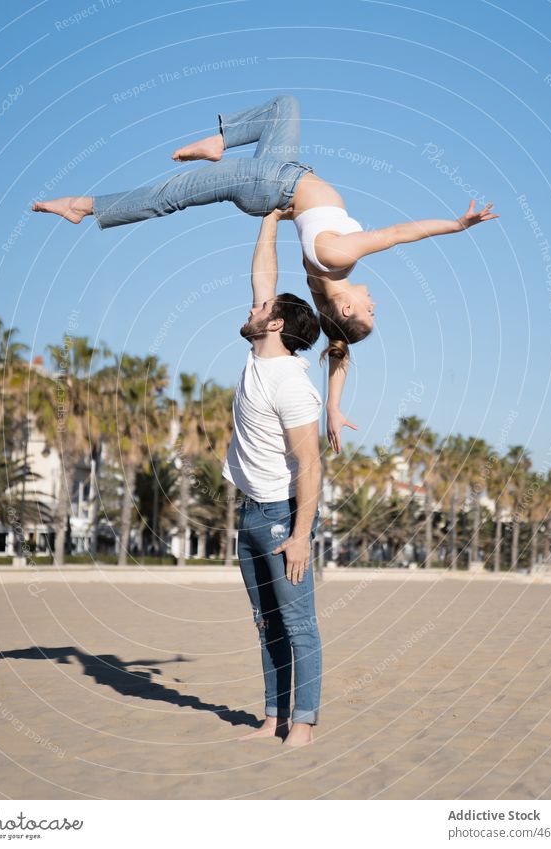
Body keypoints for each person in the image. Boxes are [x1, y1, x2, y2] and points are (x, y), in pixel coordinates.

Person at [33, 95, 498, 449]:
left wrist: (457, 225)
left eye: (371, 312)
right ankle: (220, 141)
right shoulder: (324, 286)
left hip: (271, 182)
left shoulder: (338, 258)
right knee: (285, 107)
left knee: (171, 195)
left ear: (350, 305)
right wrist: (333, 406)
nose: (377, 305)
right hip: (283, 172)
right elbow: (339, 347)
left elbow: (400, 232)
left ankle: (84, 206)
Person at [224, 209, 322, 747]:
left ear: (276, 324)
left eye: (262, 308)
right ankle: (272, 717)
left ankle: (302, 723)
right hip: (251, 511)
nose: (253, 307)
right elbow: (263, 273)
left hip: (286, 515)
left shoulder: (289, 383)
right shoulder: (257, 356)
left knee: (299, 623)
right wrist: (272, 218)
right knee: (267, 623)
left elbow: (310, 463)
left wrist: (301, 535)